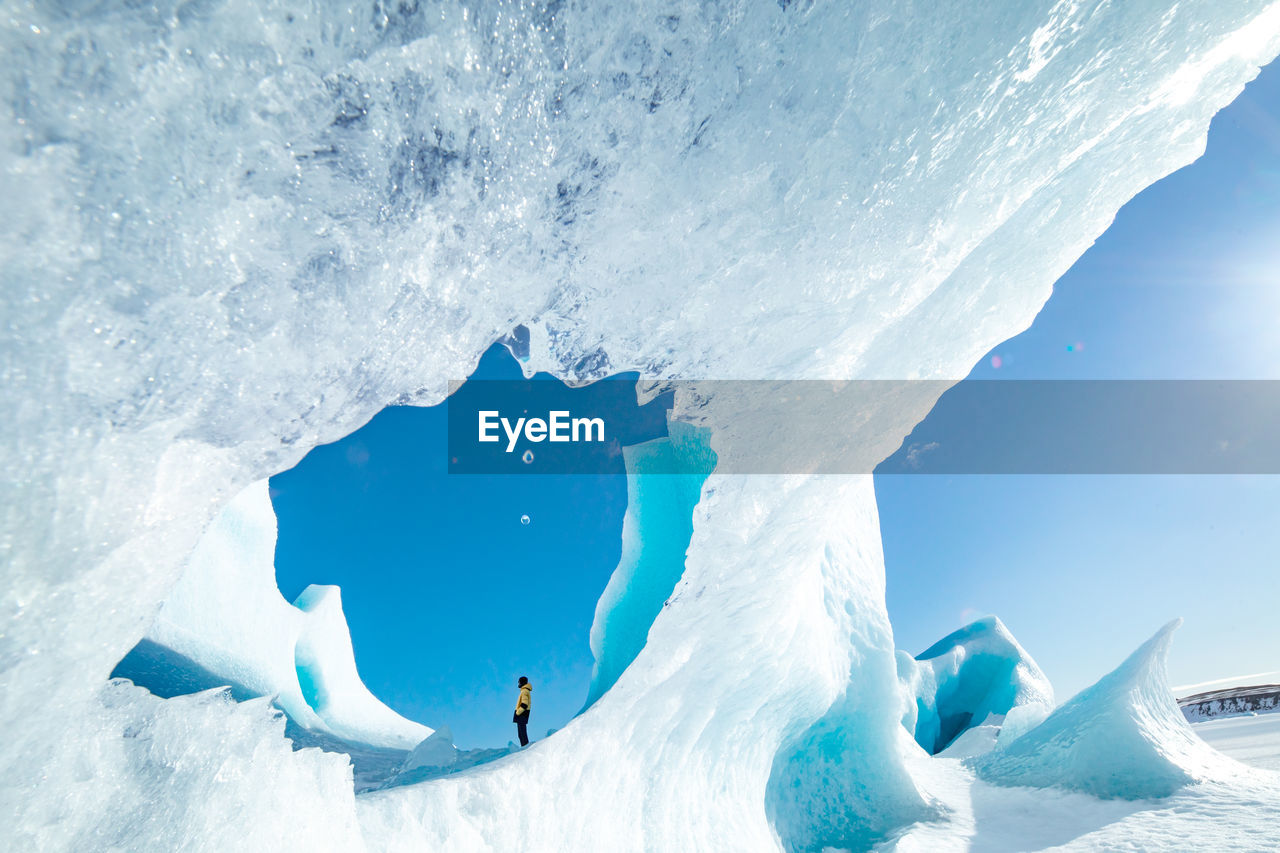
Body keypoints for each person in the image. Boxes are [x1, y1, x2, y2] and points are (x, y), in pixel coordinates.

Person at [513, 676, 532, 747]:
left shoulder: (524, 691)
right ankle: (524, 748)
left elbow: (524, 704)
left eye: (519, 681)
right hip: (522, 714)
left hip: (522, 714)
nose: (518, 683)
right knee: (521, 734)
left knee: (522, 734)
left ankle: (525, 748)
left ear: (522, 682)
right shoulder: (524, 691)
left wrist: (518, 712)